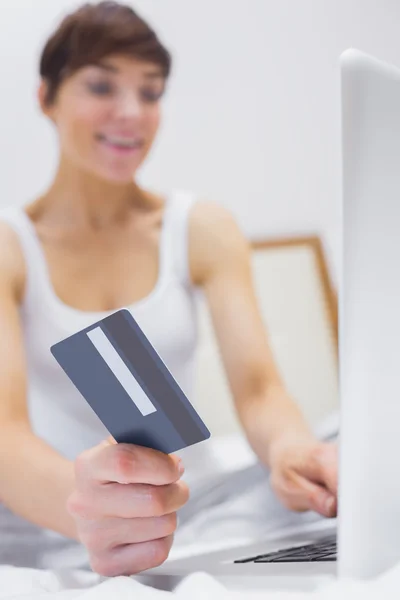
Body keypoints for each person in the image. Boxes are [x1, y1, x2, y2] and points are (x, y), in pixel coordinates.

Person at [0, 1, 337, 577]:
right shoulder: (10, 246)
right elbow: (6, 435)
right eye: (102, 86)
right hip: (62, 516)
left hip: (194, 506)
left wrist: (290, 451)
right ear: (45, 98)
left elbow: (259, 391)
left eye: (151, 93)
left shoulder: (202, 228)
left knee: (350, 433)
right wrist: (88, 508)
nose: (131, 113)